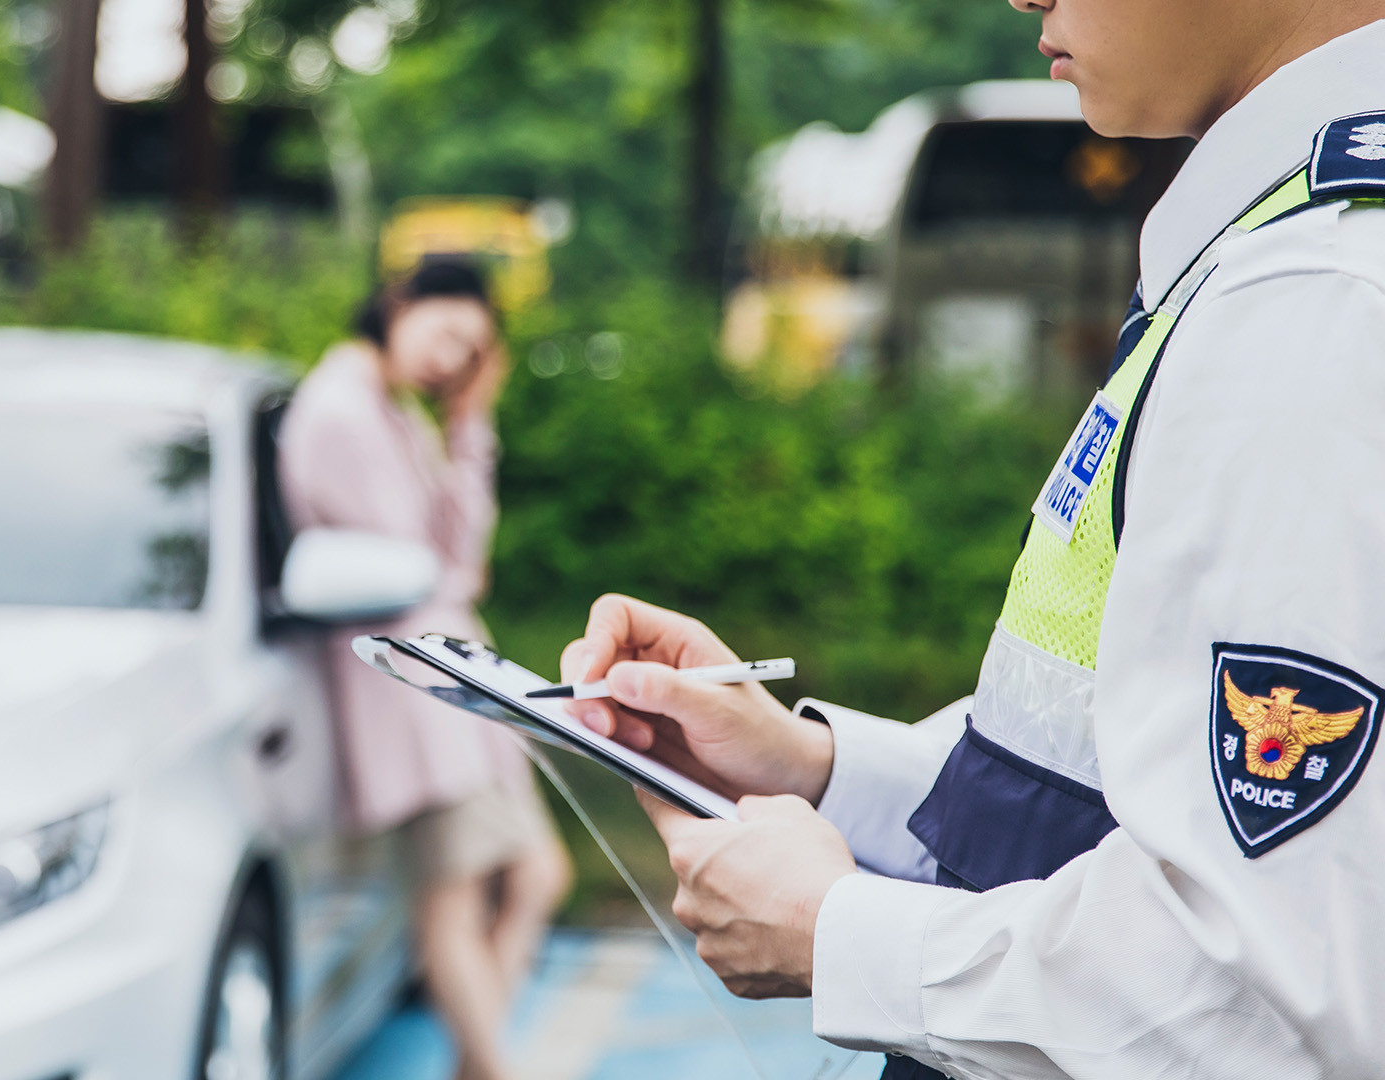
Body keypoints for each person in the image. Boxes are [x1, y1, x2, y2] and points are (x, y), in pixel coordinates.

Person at [557, 2, 1385, 1077]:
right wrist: (816, 767)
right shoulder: (1289, 252)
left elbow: (1264, 1002)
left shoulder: (1316, 298)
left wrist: (840, 933)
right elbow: (1112, 785)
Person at [278, 261, 572, 1080]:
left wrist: (470, 422)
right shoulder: (342, 412)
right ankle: (492, 1070)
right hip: (414, 693)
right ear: (398, 304)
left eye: (471, 351)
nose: (452, 360)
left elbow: (456, 560)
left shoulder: (393, 410)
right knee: (452, 901)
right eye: (446, 334)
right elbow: (430, 568)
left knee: (534, 877)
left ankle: (479, 1068)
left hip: (445, 682)